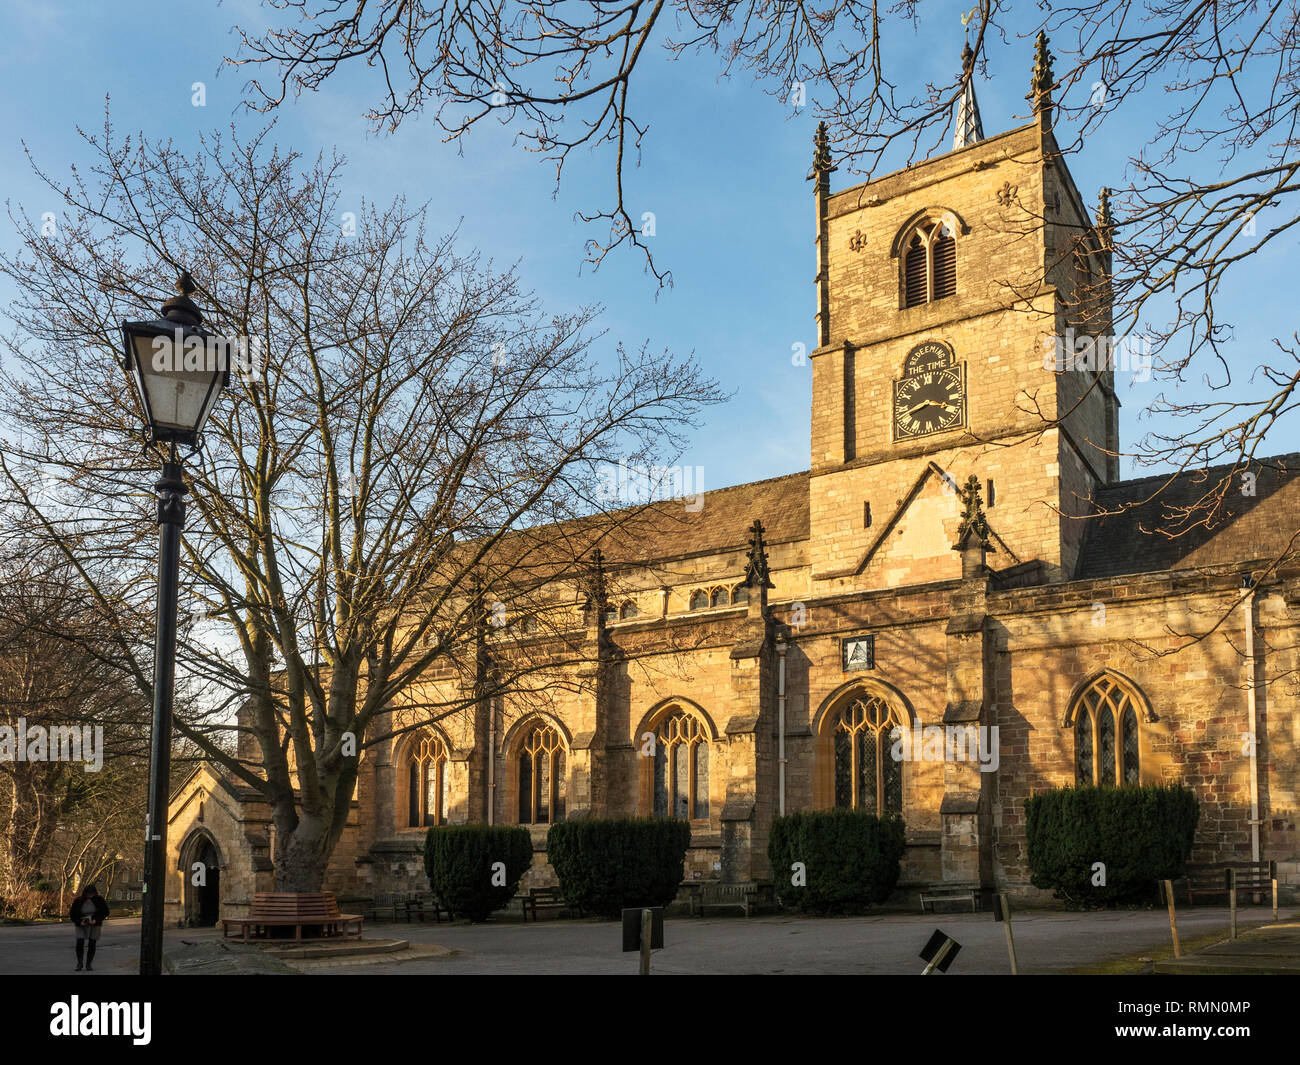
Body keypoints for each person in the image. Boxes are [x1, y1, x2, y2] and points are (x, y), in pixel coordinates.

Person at [70, 883, 109, 971]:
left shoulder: (99, 900)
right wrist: (79, 922)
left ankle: (88, 964)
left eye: (92, 894)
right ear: (85, 893)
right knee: (80, 942)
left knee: (92, 943)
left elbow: (106, 912)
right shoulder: (78, 901)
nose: (90, 896)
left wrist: (96, 920)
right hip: (81, 923)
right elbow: (72, 914)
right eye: (88, 894)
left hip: (95, 924)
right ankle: (79, 963)